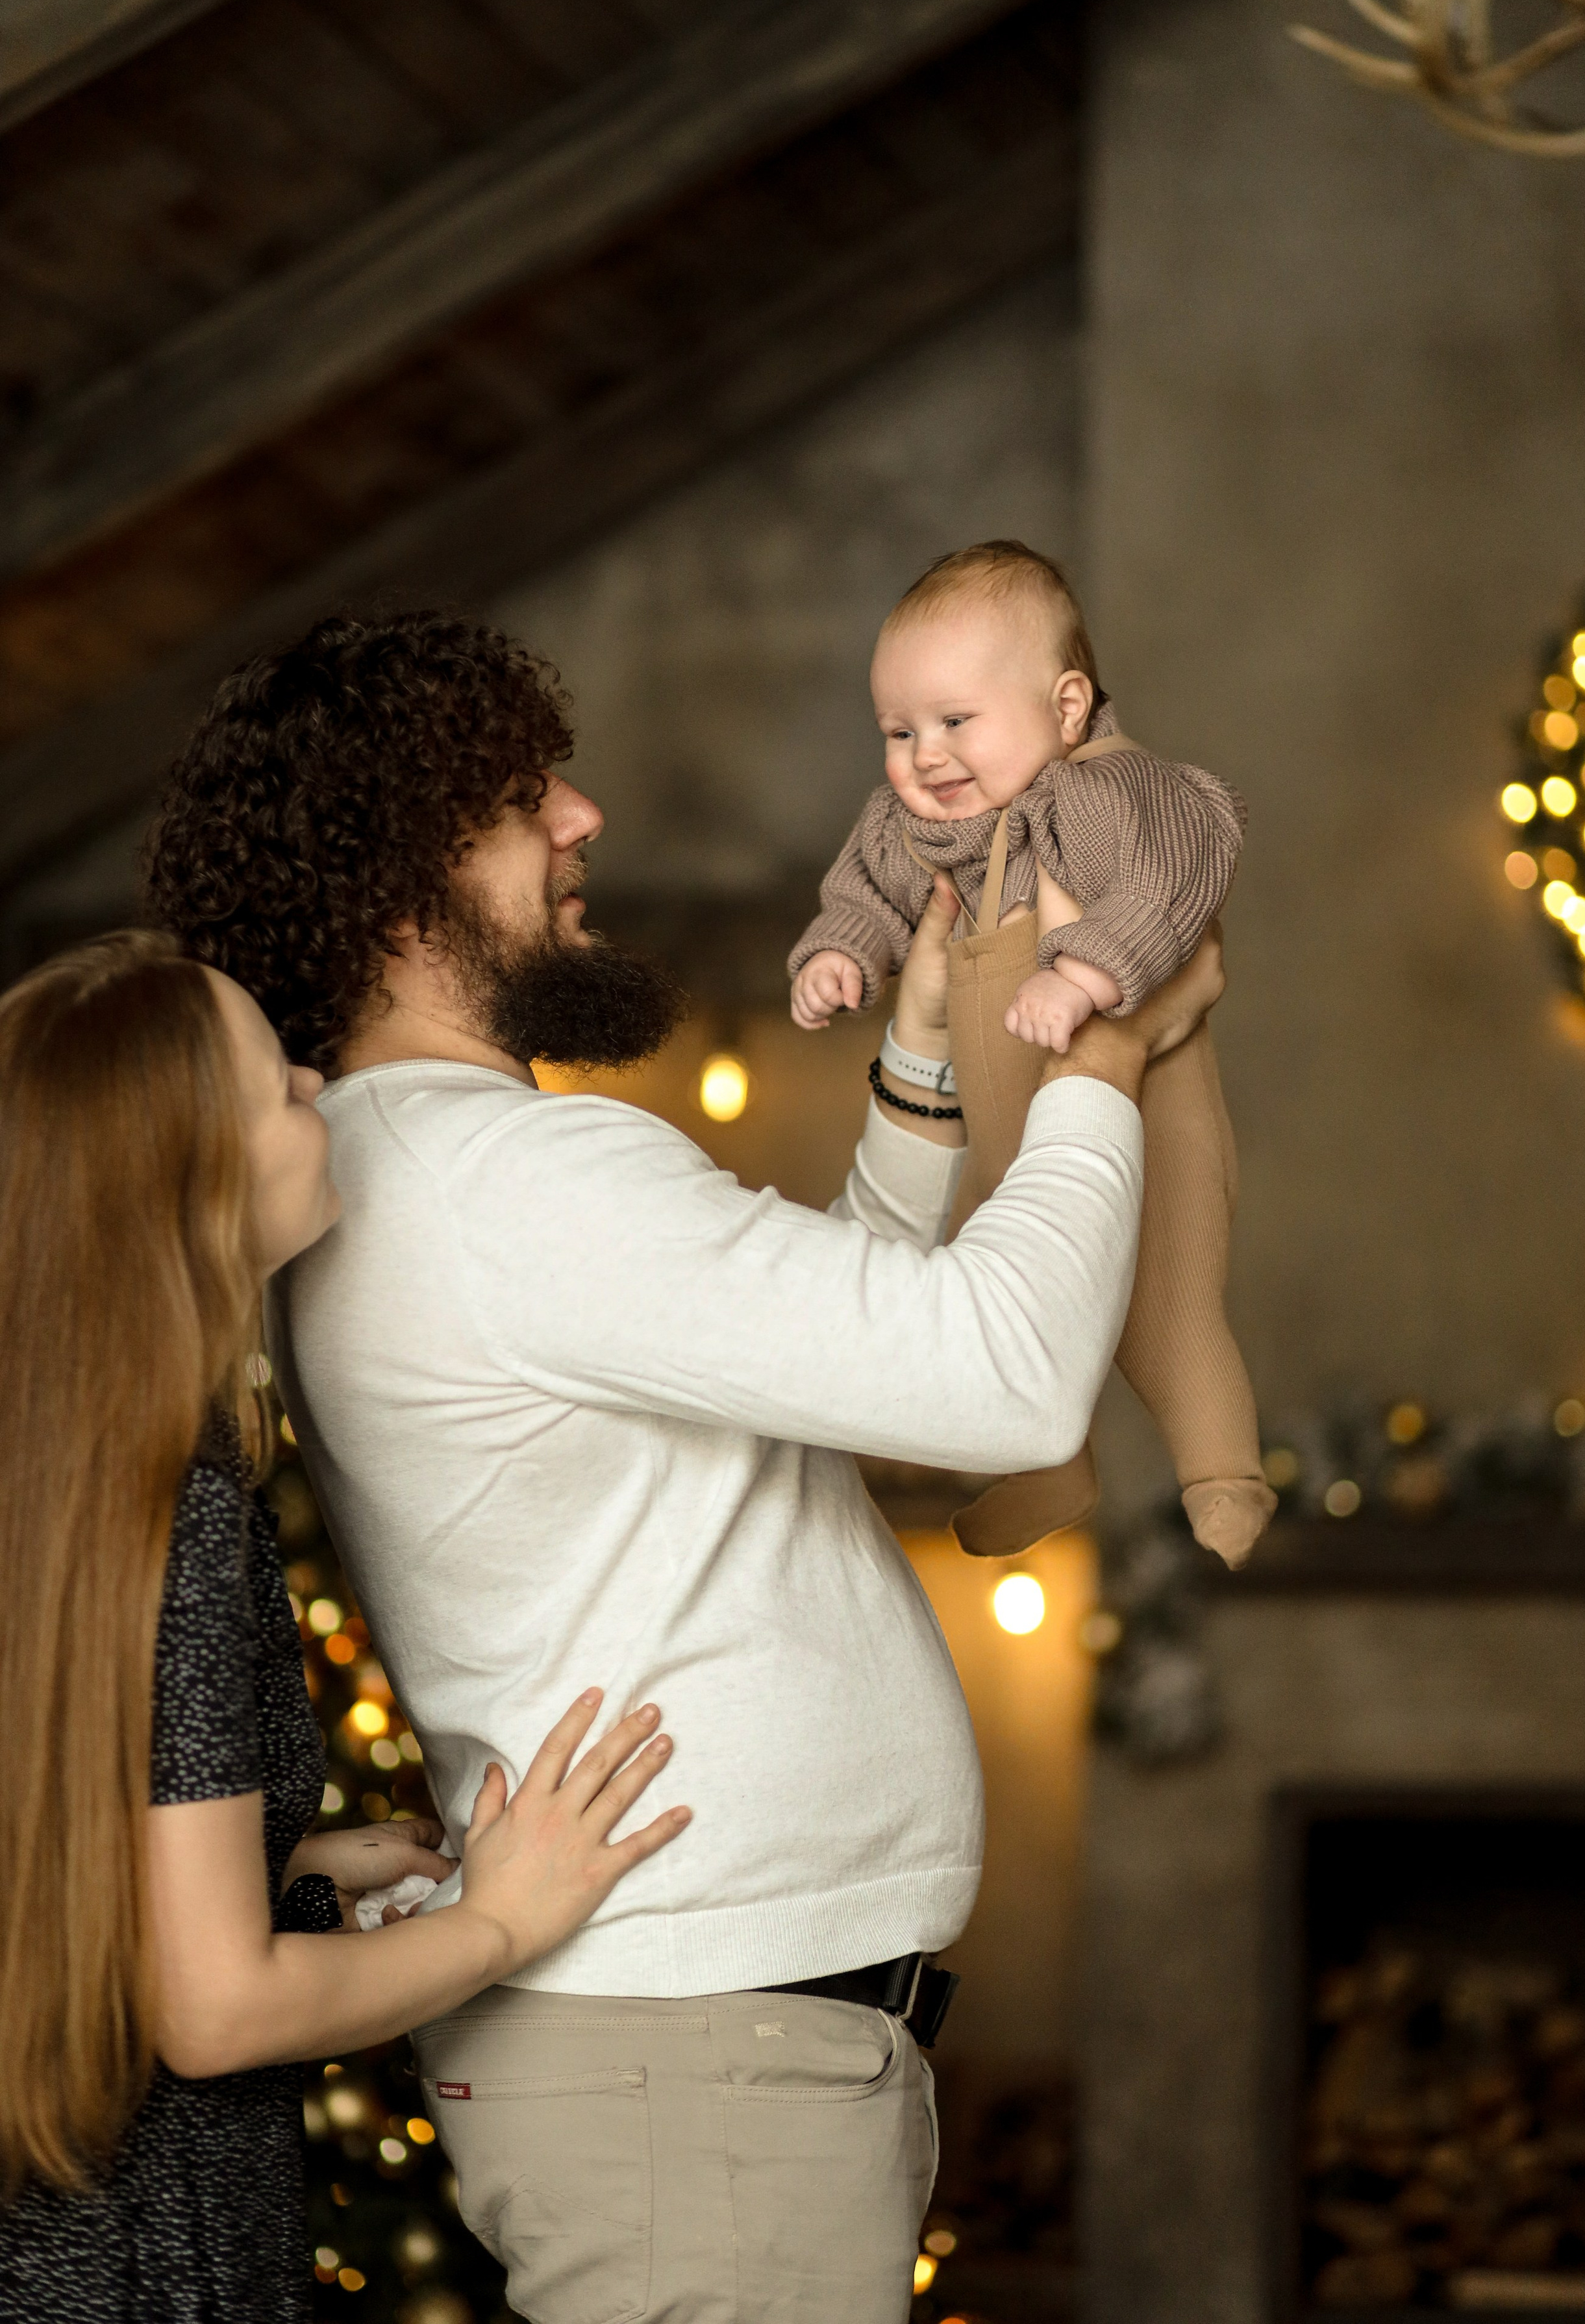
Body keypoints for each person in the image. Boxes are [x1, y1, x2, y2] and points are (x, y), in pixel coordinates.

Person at [143, 609, 1223, 2324]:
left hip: (695, 2054)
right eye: (522, 800)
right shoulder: (515, 1185)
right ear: (401, 895)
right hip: (691, 2069)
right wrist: (1103, 1057)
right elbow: (1005, 1381)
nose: (582, 819)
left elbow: (832, 1370)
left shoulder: (425, 1166)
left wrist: (919, 1068)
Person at [0, 930, 689, 2321]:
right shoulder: (168, 1511)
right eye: (279, 1085)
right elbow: (214, 2012)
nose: (318, 1085)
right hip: (139, 2261)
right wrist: (499, 1923)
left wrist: (279, 1866)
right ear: (195, 1180)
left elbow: (58, 1852)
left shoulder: (52, 1474)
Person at [788, 540, 1275, 1567]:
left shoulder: (1099, 795)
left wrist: (1087, 974)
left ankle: (1224, 1478)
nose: (924, 756)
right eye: (899, 731)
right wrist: (841, 951)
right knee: (1000, 1296)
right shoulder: (918, 827)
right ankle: (1047, 1467)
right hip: (1006, 1127)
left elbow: (1178, 868)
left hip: (1147, 1118)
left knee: (1166, 1309)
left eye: (955, 722)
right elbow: (866, 890)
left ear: (1065, 709)